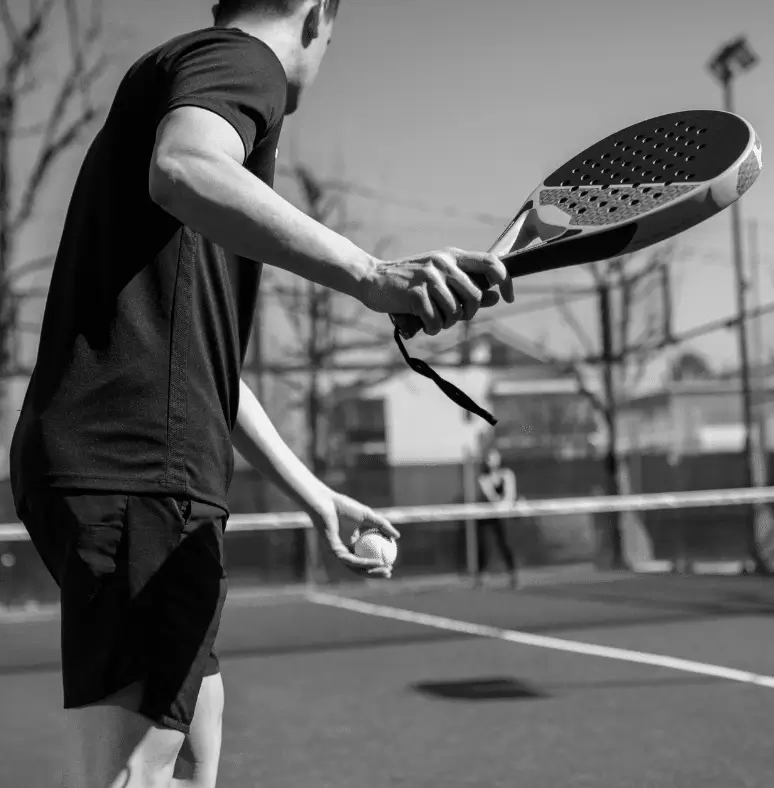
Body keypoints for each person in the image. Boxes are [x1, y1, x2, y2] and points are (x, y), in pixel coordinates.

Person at [8, 2, 513, 787]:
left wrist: (316, 496)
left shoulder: (184, 78)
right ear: (318, 14)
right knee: (138, 774)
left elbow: (204, 368)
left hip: (115, 460)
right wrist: (374, 276)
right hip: (137, 467)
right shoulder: (243, 64)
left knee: (193, 750)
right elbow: (183, 166)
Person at [475, 448, 520, 589]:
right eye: (488, 458)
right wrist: (498, 503)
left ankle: (513, 576)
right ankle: (481, 578)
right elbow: (491, 497)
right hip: (488, 516)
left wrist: (504, 507)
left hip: (503, 515)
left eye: (493, 457)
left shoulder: (507, 474)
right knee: (483, 545)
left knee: (505, 544)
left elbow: (510, 495)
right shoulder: (483, 478)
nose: (490, 461)